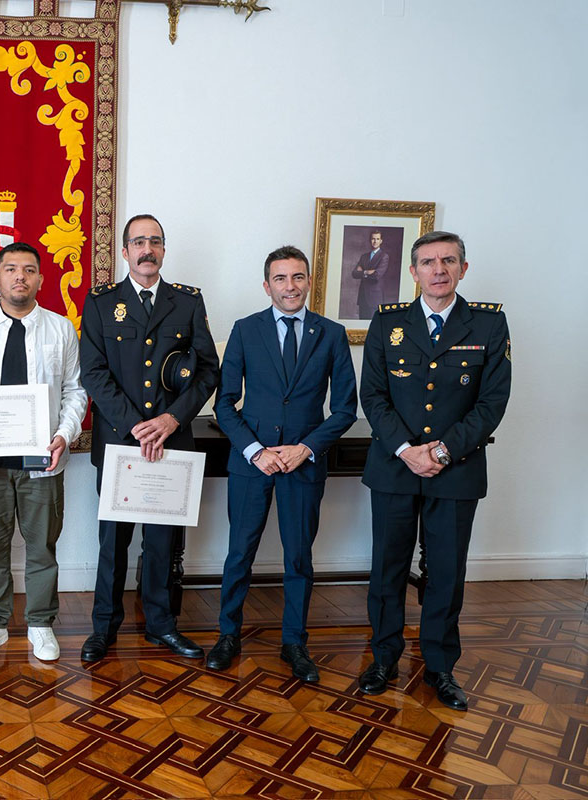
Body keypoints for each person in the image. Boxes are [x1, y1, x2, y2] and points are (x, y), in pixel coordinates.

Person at [358, 231, 511, 710]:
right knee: (388, 568)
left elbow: (492, 403)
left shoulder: (488, 324)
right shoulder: (389, 323)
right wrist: (408, 449)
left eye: (448, 261)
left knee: (445, 571)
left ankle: (440, 668)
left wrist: (441, 452)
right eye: (428, 262)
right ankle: (384, 657)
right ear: (413, 272)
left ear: (463, 268)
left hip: (457, 470)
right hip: (394, 467)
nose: (438, 270)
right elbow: (374, 396)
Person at [208, 245, 357, 682]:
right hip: (252, 463)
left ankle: (295, 642)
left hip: (303, 465)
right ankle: (227, 635)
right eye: (280, 278)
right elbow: (225, 404)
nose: (289, 286)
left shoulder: (330, 334)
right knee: (240, 553)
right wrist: (256, 451)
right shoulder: (244, 330)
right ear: (266, 285)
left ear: (309, 281)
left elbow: (345, 408)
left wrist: (305, 448)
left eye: (297, 277)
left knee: (299, 558)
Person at [78, 214, 220, 663]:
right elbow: (93, 373)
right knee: (112, 543)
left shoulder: (187, 302)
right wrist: (136, 426)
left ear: (164, 250)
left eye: (155, 241)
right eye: (138, 242)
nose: (147, 249)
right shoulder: (102, 302)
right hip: (121, 443)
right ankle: (104, 629)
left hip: (171, 445)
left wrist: (172, 420)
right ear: (124, 252)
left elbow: (207, 370)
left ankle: (162, 626)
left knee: (163, 543)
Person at [0, 242, 88, 662]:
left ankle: (40, 623)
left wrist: (64, 434)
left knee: (43, 544)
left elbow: (75, 391)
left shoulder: (61, 329)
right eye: (10, 269)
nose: (19, 276)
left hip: (42, 459)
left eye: (28, 269)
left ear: (41, 279)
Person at [350, 230, 396, 319]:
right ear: (370, 240)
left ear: (381, 241)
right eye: (373, 239)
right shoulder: (364, 256)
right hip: (363, 297)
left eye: (377, 239)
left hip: (375, 298)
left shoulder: (384, 256)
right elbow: (354, 274)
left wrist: (362, 272)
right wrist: (367, 272)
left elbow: (376, 276)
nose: (375, 241)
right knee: (361, 324)